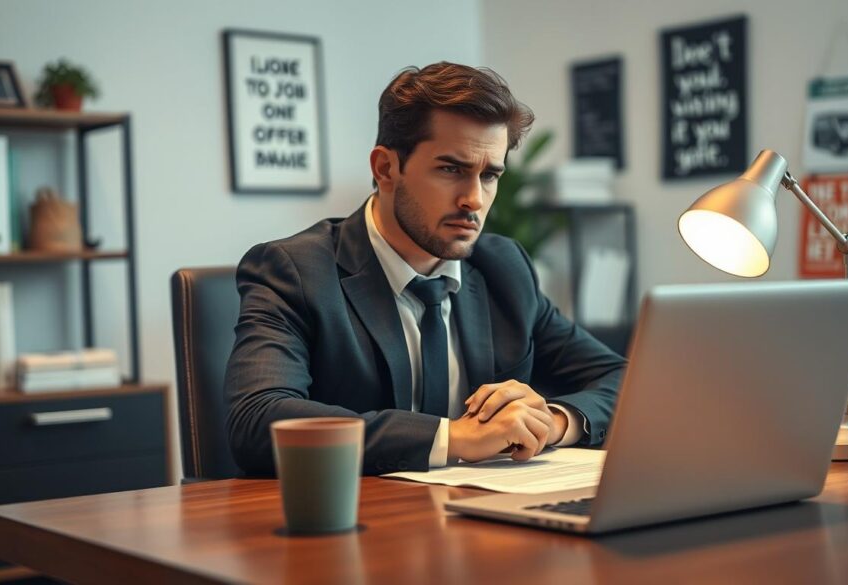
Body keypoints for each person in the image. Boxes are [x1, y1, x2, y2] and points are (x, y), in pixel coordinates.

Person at [225, 62, 626, 476]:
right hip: (359, 522)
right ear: (385, 169)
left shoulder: (504, 268)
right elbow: (258, 418)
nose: (474, 199)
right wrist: (454, 438)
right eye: (451, 169)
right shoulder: (295, 271)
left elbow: (625, 379)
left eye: (489, 175)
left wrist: (555, 422)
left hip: (485, 519)